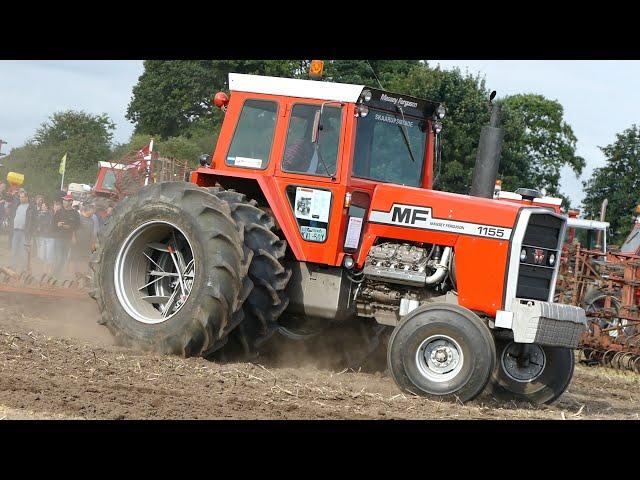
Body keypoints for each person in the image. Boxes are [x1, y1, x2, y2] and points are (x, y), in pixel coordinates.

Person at [53, 194, 80, 278]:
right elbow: (53, 224)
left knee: (64, 257)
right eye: (64, 200)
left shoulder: (75, 213)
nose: (64, 202)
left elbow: (77, 226)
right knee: (58, 256)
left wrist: (70, 227)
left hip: (68, 238)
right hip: (59, 237)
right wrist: (58, 224)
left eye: (66, 200)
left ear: (71, 202)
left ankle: (61, 274)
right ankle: (55, 274)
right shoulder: (59, 211)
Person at [10, 189, 36, 272]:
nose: (20, 199)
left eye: (22, 197)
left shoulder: (31, 207)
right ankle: (13, 267)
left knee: (23, 252)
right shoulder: (18, 205)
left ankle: (23, 269)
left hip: (24, 232)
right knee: (14, 250)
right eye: (20, 197)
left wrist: (31, 231)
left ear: (26, 198)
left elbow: (35, 220)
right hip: (15, 231)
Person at [72, 204, 97, 275]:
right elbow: (73, 228)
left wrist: (93, 243)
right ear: (88, 210)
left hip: (87, 242)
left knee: (86, 257)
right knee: (77, 257)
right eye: (92, 212)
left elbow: (92, 232)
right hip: (78, 241)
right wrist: (73, 237)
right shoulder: (79, 218)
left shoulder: (92, 220)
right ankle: (76, 273)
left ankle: (85, 273)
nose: (93, 214)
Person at [35, 201, 55, 274]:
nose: (42, 207)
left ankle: (49, 271)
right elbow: (37, 223)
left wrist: (42, 217)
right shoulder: (40, 214)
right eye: (42, 206)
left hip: (50, 237)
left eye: (44, 206)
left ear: (47, 207)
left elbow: (48, 223)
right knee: (43, 255)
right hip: (42, 236)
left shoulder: (50, 214)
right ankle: (44, 271)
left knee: (49, 255)